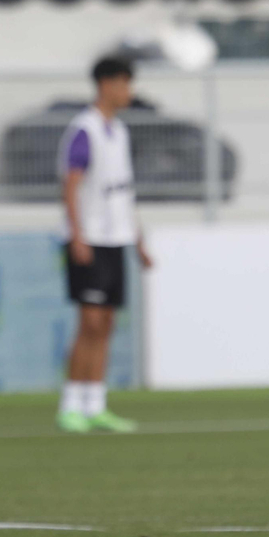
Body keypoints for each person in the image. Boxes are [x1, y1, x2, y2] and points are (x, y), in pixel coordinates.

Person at [57, 56, 153, 434]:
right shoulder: (85, 130)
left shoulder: (120, 132)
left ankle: (96, 404)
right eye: (124, 83)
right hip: (91, 238)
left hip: (116, 238)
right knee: (89, 322)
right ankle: (70, 405)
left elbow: (125, 193)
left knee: (107, 323)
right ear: (106, 85)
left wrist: (138, 240)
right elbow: (71, 185)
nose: (129, 91)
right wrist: (77, 234)